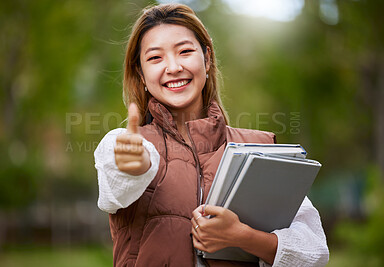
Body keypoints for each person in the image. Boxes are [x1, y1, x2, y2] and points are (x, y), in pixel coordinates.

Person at [94, 3, 329, 267]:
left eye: (184, 51)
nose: (173, 67)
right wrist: (137, 168)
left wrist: (243, 237)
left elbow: (314, 252)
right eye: (155, 58)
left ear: (206, 59)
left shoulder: (261, 148)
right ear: (140, 72)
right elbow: (114, 187)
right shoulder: (124, 144)